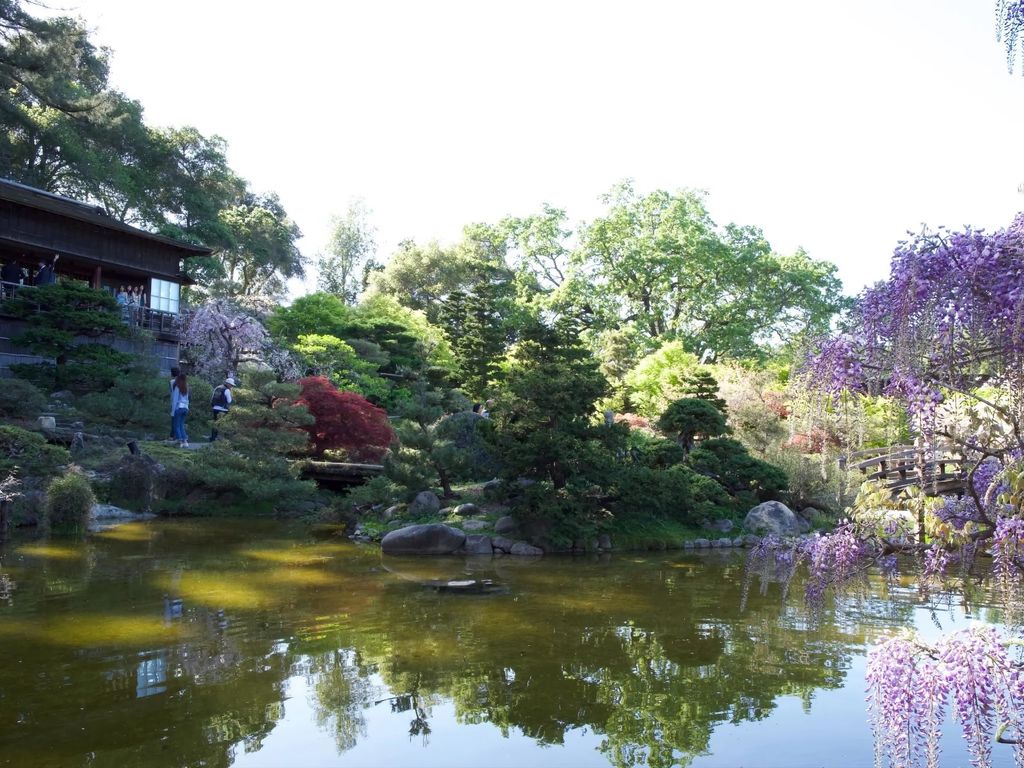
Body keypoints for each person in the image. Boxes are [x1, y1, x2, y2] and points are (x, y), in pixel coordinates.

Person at [209, 377, 235, 442]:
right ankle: (222, 439)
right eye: (231, 385)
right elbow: (229, 401)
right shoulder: (227, 390)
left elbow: (212, 397)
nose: (231, 386)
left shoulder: (217, 388)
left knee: (215, 423)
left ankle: (213, 438)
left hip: (215, 408)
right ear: (228, 384)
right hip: (223, 409)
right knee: (223, 424)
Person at [170, 373, 190, 448]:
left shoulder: (177, 387)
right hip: (185, 408)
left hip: (179, 408)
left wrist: (172, 411)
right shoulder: (186, 387)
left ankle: (179, 441)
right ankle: (185, 440)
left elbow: (175, 400)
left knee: (176, 425)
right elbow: (187, 399)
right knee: (181, 425)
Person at [167, 366, 180, 440]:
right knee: (179, 421)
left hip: (174, 402)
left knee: (174, 420)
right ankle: (176, 436)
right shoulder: (183, 381)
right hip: (182, 404)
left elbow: (171, 392)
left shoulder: (172, 382)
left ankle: (172, 436)